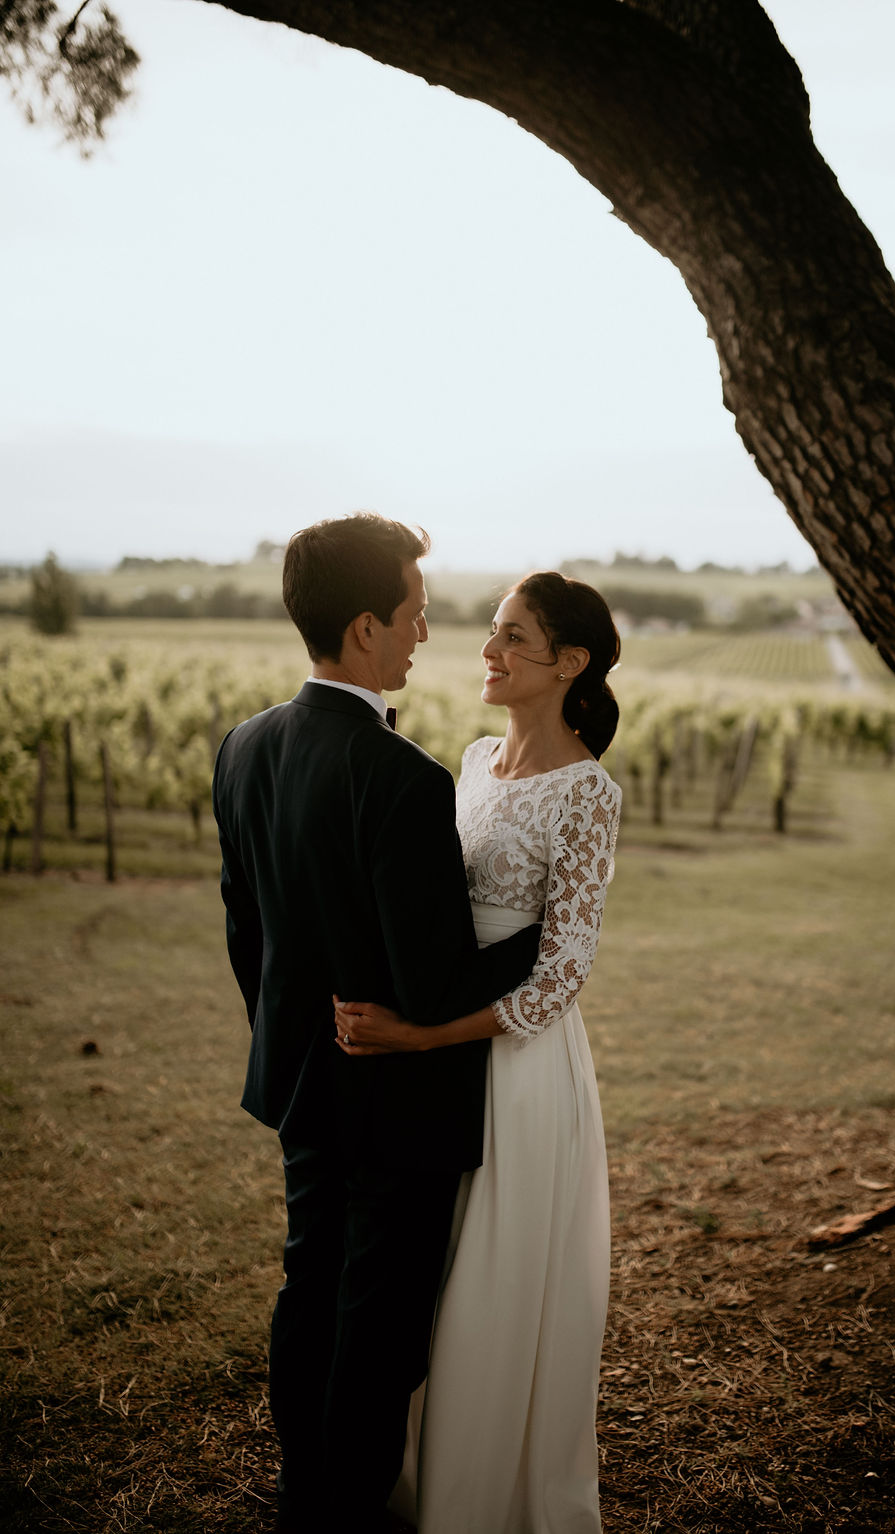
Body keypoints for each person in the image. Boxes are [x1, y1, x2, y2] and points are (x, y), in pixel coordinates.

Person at [211, 514, 541, 1534]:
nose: (425, 635)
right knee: (379, 1316)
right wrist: (542, 932)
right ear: (363, 630)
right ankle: (346, 1509)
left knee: (310, 1282)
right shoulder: (401, 779)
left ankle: (303, 1491)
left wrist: (295, 1032)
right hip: (395, 1098)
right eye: (414, 614)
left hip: (301, 1079)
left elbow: (246, 931)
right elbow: (436, 982)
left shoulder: (245, 745)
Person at [335, 570, 623, 1534]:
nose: (488, 652)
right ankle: (423, 1476)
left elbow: (561, 974)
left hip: (521, 1064)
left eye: (513, 638)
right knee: (436, 1271)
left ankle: (492, 1497)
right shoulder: (465, 762)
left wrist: (421, 1034)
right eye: (491, 632)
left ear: (569, 663)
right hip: (439, 1056)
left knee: (496, 1280)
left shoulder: (588, 792)